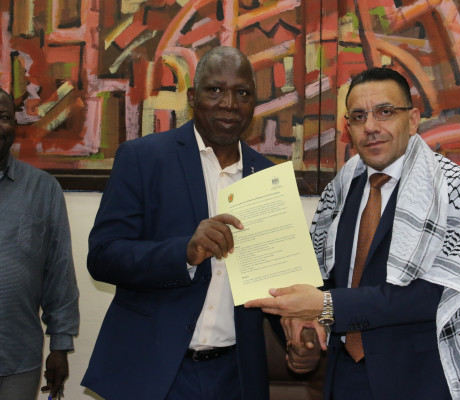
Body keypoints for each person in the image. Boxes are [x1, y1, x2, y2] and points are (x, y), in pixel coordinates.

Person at [245, 67, 460, 400]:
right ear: (348, 127)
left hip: (426, 381)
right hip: (346, 377)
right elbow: (321, 274)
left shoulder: (457, 187)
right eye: (358, 116)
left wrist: (325, 306)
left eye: (385, 112)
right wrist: (305, 328)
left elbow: (433, 297)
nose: (371, 127)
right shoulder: (342, 186)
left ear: (412, 120)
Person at [81, 46, 316, 400]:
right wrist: (184, 253)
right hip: (155, 373)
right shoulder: (143, 159)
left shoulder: (268, 178)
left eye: (242, 93)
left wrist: (299, 334)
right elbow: (102, 257)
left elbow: (276, 284)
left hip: (235, 376)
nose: (229, 103)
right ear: (192, 97)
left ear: (253, 103)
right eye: (215, 90)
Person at [0, 88, 80, 399]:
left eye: (4, 117)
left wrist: (60, 345)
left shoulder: (43, 189)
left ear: (15, 125)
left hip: (18, 359)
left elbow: (59, 272)